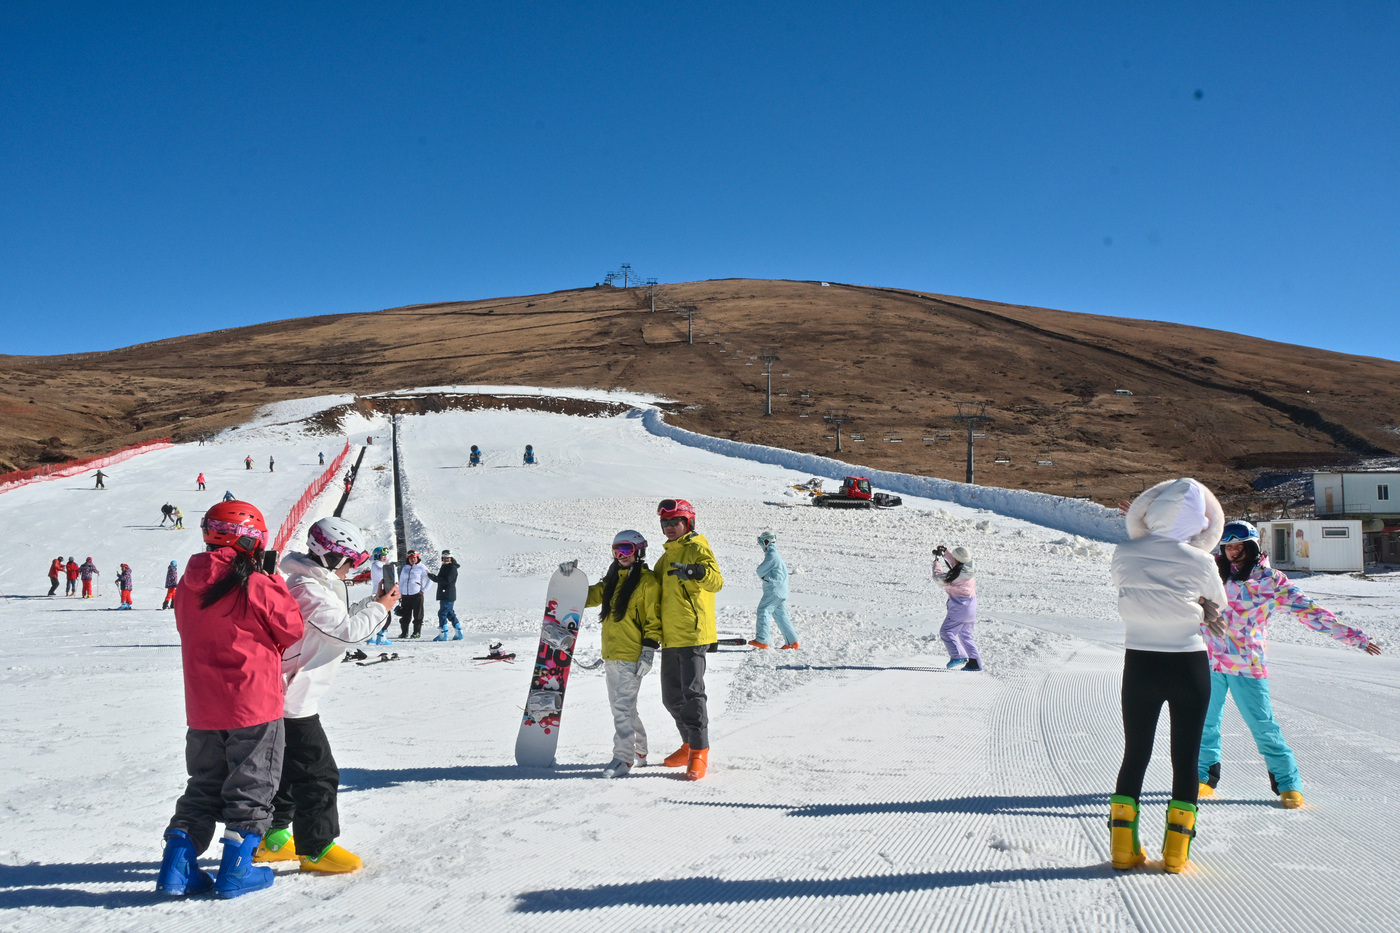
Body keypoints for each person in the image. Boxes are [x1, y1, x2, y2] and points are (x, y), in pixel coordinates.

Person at [156, 499, 304, 899]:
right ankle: (236, 872)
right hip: (253, 701)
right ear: (252, 540)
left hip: (203, 703)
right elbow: (292, 629)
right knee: (253, 783)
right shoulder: (255, 582)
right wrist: (272, 580)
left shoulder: (188, 583)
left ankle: (177, 869)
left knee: (204, 784)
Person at [1199, 520, 1383, 808]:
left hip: (1247, 665)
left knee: (1264, 727)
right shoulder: (1212, 573)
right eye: (1228, 547)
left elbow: (1311, 612)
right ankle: (1202, 778)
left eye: (1239, 546)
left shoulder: (1270, 581)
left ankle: (1288, 784)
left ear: (1252, 546)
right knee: (1204, 724)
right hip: (1210, 661)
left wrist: (1355, 638)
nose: (1233, 551)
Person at [253, 517, 395, 874]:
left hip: (292, 693)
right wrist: (381, 608)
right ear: (331, 556)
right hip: (294, 697)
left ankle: (272, 838)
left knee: (289, 771)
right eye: (350, 561)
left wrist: (373, 604)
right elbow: (347, 633)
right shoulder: (308, 589)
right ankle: (316, 848)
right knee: (318, 774)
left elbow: (337, 622)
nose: (352, 568)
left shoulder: (314, 583)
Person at [1108, 478, 1228, 875]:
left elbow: (1126, 584)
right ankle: (1176, 853)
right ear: (1198, 523)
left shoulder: (1124, 552)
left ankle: (1122, 849)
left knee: (1135, 752)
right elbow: (1218, 603)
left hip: (1139, 662)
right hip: (1188, 663)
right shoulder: (1201, 560)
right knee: (1186, 757)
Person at [652, 498, 724, 781]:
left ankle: (699, 751)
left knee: (692, 695)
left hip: (693, 634)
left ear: (688, 522)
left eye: (675, 522)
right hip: (671, 637)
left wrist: (695, 571)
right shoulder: (665, 557)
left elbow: (716, 582)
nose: (670, 527)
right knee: (671, 697)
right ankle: (687, 744)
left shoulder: (696, 547)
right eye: (665, 522)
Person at [586, 530, 661, 777]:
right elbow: (587, 597)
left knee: (622, 708)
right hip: (611, 655)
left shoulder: (647, 582)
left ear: (639, 551)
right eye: (616, 551)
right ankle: (639, 750)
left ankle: (623, 758)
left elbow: (653, 619)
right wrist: (569, 581)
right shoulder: (612, 580)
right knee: (623, 708)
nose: (621, 555)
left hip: (632, 655)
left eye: (626, 550)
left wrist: (648, 650)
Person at [933, 545, 979, 671]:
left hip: (960, 608)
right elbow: (956, 562)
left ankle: (958, 656)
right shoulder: (969, 567)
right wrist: (946, 552)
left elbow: (938, 579)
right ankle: (975, 663)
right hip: (971, 607)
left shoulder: (955, 576)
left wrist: (936, 564)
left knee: (946, 631)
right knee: (965, 635)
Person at [749, 531, 798, 649]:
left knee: (763, 610)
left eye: (761, 543)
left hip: (774, 590)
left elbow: (760, 570)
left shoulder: (772, 555)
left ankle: (762, 640)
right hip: (781, 591)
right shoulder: (775, 555)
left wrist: (766, 578)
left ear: (766, 542)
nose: (761, 546)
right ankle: (792, 642)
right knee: (780, 615)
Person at [427, 550, 461, 640]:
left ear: (451, 558)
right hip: (444, 593)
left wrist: (434, 578)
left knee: (442, 613)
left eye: (448, 558)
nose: (446, 559)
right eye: (444, 558)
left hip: (448, 594)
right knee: (450, 613)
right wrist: (434, 577)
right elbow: (441, 578)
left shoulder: (452, 568)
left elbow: (447, 580)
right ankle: (459, 632)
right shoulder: (445, 566)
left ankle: (443, 634)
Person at [365, 547, 394, 645]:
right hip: (380, 593)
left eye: (386, 555)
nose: (385, 557)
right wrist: (391, 567)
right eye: (382, 555)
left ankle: (374, 637)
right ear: (377, 556)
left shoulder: (380, 565)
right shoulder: (377, 564)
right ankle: (381, 638)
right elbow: (382, 571)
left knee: (380, 615)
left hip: (381, 592)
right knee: (386, 616)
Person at [395, 550, 428, 639]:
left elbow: (430, 578)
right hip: (406, 595)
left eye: (414, 558)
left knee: (418, 615)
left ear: (417, 558)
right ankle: (404, 633)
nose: (412, 560)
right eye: (410, 558)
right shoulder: (405, 568)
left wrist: (424, 590)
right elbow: (401, 581)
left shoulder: (421, 567)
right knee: (405, 615)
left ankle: (416, 632)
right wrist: (400, 594)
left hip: (417, 594)